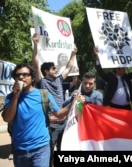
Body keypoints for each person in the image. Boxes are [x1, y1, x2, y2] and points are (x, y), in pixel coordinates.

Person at [1, 64, 75, 167]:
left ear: (33, 78)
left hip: (41, 149)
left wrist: (74, 102)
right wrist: (16, 95)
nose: (21, 77)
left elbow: (58, 114)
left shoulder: (43, 95)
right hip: (19, 149)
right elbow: (7, 118)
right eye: (18, 75)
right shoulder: (11, 97)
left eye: (25, 74)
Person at [32, 33, 77, 164]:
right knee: (50, 153)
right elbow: (35, 64)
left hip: (64, 122)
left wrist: (73, 54)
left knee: (63, 150)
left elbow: (68, 68)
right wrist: (35, 44)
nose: (56, 70)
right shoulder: (42, 82)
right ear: (46, 71)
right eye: (53, 68)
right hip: (51, 125)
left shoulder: (59, 79)